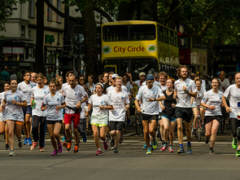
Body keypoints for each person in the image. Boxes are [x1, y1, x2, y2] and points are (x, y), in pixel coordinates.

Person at [135, 74, 165, 155]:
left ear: (153, 81)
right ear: (146, 81)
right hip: (144, 112)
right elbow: (136, 99)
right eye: (148, 81)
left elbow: (163, 97)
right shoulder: (142, 88)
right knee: (145, 131)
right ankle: (148, 146)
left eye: (151, 81)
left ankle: (154, 139)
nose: (149, 83)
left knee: (151, 130)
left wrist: (155, 99)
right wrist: (138, 107)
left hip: (154, 112)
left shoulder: (157, 88)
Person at [174, 65, 197, 154]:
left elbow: (195, 94)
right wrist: (174, 95)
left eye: (186, 71)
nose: (184, 73)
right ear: (179, 72)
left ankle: (188, 143)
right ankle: (181, 147)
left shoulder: (191, 82)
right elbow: (175, 91)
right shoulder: (176, 82)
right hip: (179, 107)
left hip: (188, 107)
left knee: (187, 128)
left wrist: (187, 91)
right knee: (179, 126)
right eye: (183, 71)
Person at [2, 79, 27, 156]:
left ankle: (19, 139)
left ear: (17, 85)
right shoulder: (7, 93)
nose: (14, 85)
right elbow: (4, 101)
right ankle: (11, 150)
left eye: (15, 83)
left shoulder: (20, 94)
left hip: (19, 114)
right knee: (10, 131)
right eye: (12, 83)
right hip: (9, 114)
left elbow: (25, 104)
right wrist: (3, 105)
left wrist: (17, 103)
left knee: (18, 132)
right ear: (10, 85)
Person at [63, 74, 87, 152]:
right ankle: (69, 141)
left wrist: (80, 102)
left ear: (76, 80)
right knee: (67, 128)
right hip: (67, 110)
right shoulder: (65, 87)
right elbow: (61, 96)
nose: (71, 82)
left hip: (76, 111)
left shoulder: (80, 88)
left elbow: (86, 97)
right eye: (70, 80)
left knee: (75, 130)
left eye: (73, 81)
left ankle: (77, 143)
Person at [87, 83, 112, 155]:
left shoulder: (106, 97)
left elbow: (111, 107)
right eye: (96, 88)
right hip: (94, 116)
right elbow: (89, 105)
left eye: (99, 88)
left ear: (102, 89)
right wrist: (87, 110)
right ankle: (99, 149)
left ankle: (105, 140)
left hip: (103, 117)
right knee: (95, 133)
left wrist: (104, 107)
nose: (97, 89)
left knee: (101, 135)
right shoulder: (92, 97)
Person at [42, 80, 65, 156]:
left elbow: (64, 104)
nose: (52, 88)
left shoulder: (60, 95)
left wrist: (60, 106)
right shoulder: (46, 97)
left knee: (56, 133)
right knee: (51, 136)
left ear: (56, 87)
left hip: (58, 117)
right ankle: (55, 149)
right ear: (49, 87)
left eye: (54, 86)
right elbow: (43, 106)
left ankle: (59, 143)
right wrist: (43, 108)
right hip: (49, 117)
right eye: (51, 86)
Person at [108, 76, 130, 153]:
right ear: (115, 83)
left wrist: (126, 107)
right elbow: (107, 102)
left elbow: (127, 103)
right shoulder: (110, 92)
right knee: (113, 132)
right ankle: (111, 137)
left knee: (118, 132)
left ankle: (116, 146)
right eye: (117, 81)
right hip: (112, 114)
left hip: (121, 114)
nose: (119, 83)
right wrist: (109, 107)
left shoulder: (125, 93)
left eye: (120, 82)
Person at [201, 78, 223, 154]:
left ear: (218, 84)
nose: (214, 84)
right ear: (211, 84)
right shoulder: (207, 93)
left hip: (217, 114)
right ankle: (207, 138)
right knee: (207, 133)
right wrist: (208, 106)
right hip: (208, 114)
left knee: (214, 131)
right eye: (213, 83)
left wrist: (224, 105)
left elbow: (222, 103)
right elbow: (202, 102)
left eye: (216, 83)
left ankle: (211, 148)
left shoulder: (221, 93)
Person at [30, 73, 49, 151]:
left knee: (42, 130)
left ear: (43, 80)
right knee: (34, 127)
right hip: (35, 111)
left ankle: (42, 146)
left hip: (44, 111)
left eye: (40, 79)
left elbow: (49, 99)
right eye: (37, 79)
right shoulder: (34, 89)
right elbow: (32, 97)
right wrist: (32, 102)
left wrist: (46, 107)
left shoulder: (47, 89)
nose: (39, 81)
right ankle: (35, 140)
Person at [222, 72, 240, 157]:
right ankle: (234, 138)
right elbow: (223, 97)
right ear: (235, 79)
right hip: (233, 113)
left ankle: (239, 149)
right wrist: (226, 107)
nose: (239, 80)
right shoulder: (231, 88)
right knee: (234, 131)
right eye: (237, 78)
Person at [159, 79, 176, 152]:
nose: (169, 84)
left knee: (171, 132)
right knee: (165, 128)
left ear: (172, 84)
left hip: (173, 113)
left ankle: (171, 145)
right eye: (167, 82)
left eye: (170, 83)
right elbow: (159, 100)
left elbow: (179, 102)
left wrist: (175, 105)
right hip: (165, 113)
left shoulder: (175, 93)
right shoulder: (163, 92)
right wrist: (161, 105)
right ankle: (165, 143)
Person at [17, 72, 33, 146]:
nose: (29, 76)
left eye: (29, 75)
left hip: (29, 105)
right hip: (22, 105)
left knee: (27, 120)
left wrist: (33, 102)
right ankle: (27, 137)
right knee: (23, 122)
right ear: (24, 77)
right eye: (27, 75)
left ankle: (29, 137)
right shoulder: (20, 85)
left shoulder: (33, 84)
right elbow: (17, 94)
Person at [0, 82, 10, 149]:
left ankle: (7, 143)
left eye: (8, 86)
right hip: (2, 113)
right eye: (5, 86)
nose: (6, 87)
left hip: (9, 113)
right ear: (4, 87)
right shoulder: (1, 94)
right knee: (1, 130)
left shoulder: (12, 94)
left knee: (7, 130)